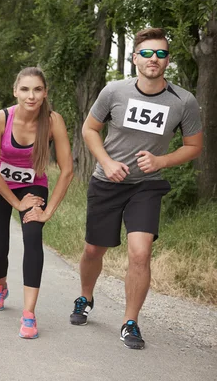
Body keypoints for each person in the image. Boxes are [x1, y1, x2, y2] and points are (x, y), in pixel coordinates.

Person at [70, 27, 203, 349]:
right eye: (146, 53)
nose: (153, 59)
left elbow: (193, 145)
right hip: (107, 180)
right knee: (93, 250)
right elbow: (90, 129)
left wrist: (162, 162)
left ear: (167, 60)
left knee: (141, 253)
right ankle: (85, 296)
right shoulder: (114, 91)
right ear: (135, 58)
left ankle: (131, 322)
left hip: (147, 185)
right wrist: (107, 160)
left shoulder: (183, 100)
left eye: (160, 53)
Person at [0, 67, 73, 339]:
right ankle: (0, 286)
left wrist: (46, 211)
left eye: (37, 89)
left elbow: (67, 170)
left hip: (34, 185)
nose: (31, 96)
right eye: (25, 89)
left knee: (32, 237)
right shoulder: (0, 119)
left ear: (45, 92)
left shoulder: (53, 120)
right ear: (15, 91)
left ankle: (29, 313)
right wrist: (16, 203)